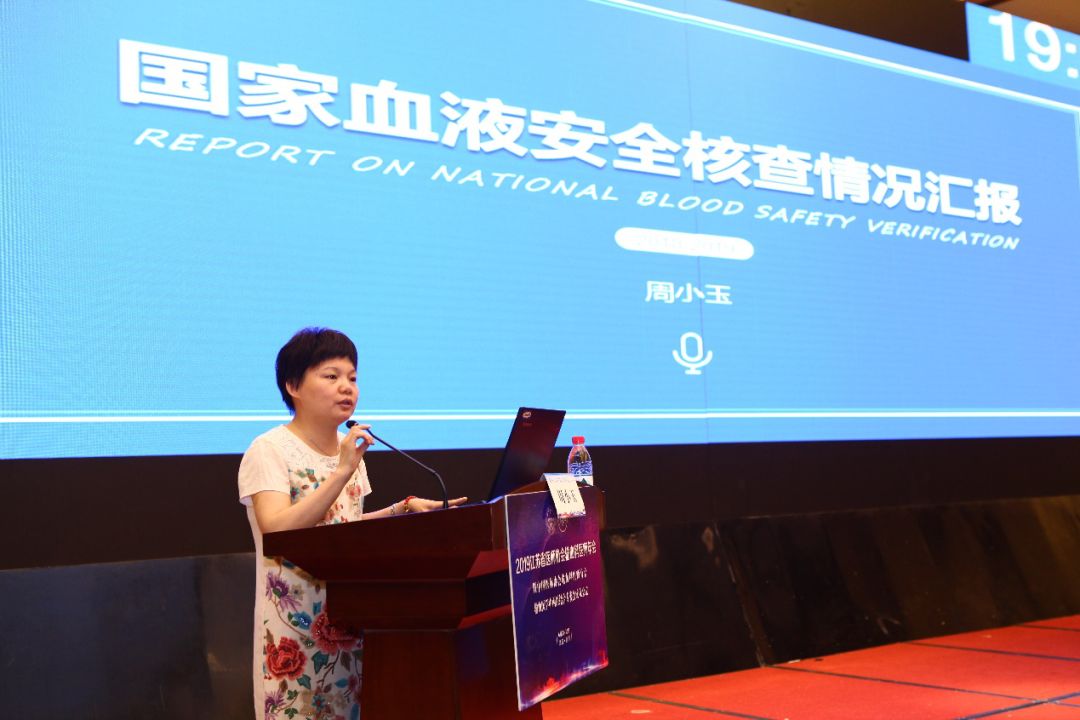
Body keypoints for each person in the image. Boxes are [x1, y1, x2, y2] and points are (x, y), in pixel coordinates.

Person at [237, 327, 465, 720]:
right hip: (295, 631)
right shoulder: (269, 449)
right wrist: (341, 471)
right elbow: (277, 530)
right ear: (293, 385)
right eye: (331, 376)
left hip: (353, 621)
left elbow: (344, 526)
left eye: (353, 378)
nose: (347, 387)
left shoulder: (347, 450)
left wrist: (401, 509)